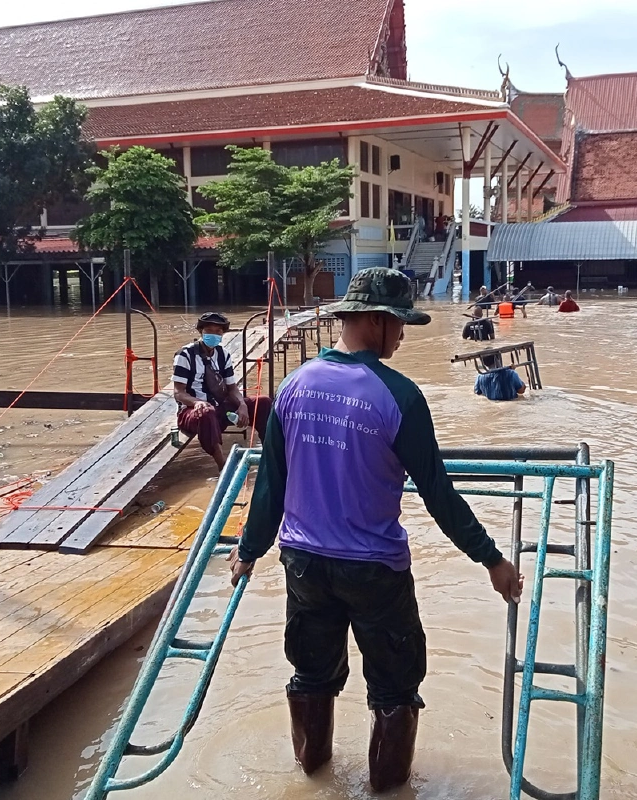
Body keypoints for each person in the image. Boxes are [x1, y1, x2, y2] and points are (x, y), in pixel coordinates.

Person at [229, 268, 522, 792]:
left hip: (303, 564)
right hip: (374, 570)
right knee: (394, 691)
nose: (404, 335)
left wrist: (248, 551)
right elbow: (438, 493)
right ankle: (388, 791)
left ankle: (311, 780)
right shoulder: (399, 396)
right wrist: (492, 559)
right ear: (372, 321)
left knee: (311, 676)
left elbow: (270, 483)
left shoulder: (293, 386)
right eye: (399, 323)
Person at [173, 312, 271, 469]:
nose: (214, 335)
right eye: (209, 330)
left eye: (218, 332)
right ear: (201, 331)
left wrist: (242, 405)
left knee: (263, 402)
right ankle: (223, 465)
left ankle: (269, 452)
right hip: (193, 412)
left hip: (220, 407)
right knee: (206, 411)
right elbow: (178, 392)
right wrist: (197, 402)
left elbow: (232, 388)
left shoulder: (222, 354)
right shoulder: (185, 354)